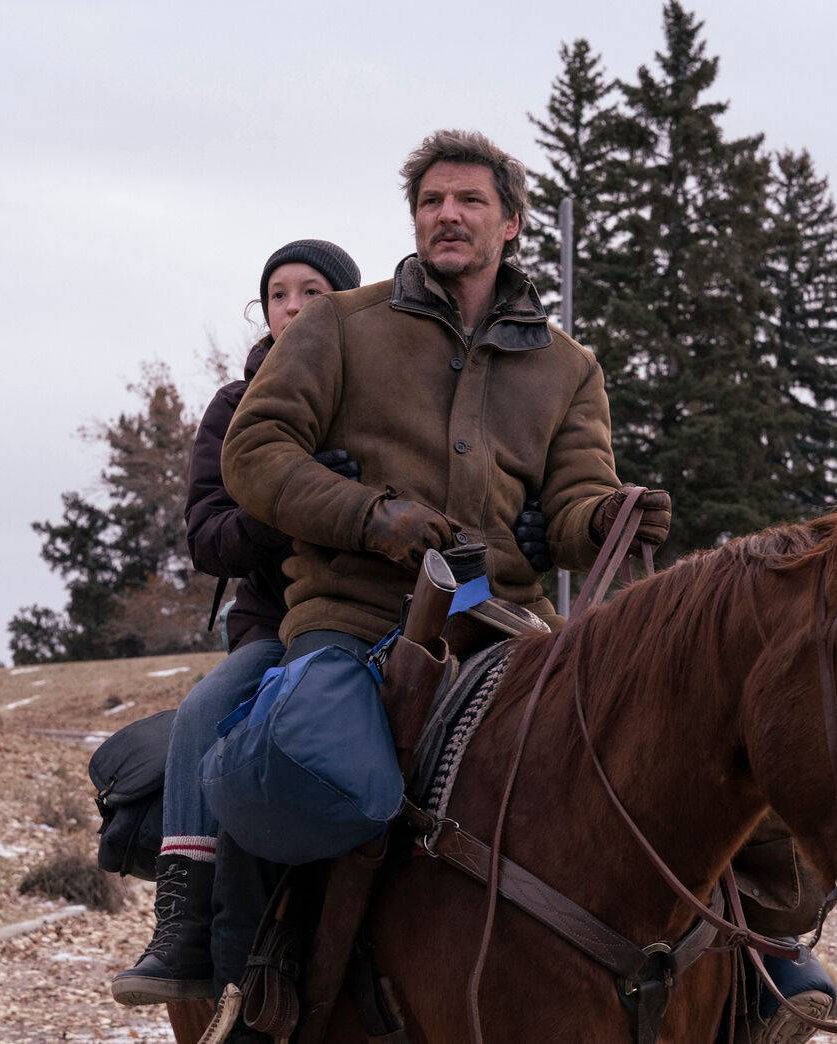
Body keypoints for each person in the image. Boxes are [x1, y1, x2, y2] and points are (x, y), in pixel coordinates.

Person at [213, 129, 671, 1034]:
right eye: (431, 202)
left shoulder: (568, 367)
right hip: (356, 615)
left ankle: (771, 979)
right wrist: (370, 517)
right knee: (309, 770)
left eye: (467, 201)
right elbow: (254, 453)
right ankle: (248, 988)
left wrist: (609, 514)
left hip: (503, 620)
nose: (447, 216)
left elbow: (574, 500)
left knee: (661, 758)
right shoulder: (344, 324)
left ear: (510, 223)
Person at [109, 239, 362, 1007]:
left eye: (311, 292)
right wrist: (295, 505)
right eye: (277, 294)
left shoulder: (382, 396)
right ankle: (184, 925)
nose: (292, 308)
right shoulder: (234, 404)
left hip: (386, 617)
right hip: (275, 625)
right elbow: (207, 536)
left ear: (347, 306)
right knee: (206, 710)